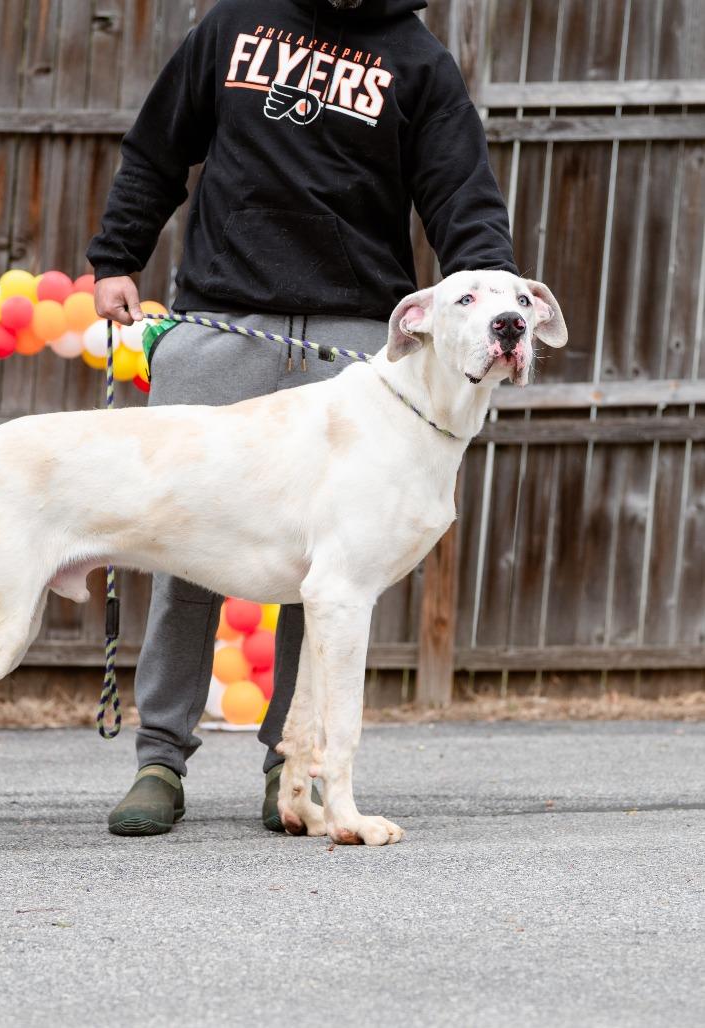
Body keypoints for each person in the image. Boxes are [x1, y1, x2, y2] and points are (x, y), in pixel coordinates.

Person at [87, 0, 517, 835]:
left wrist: (498, 301)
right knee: (179, 541)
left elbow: (462, 197)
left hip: (353, 337)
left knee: (325, 573)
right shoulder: (234, 22)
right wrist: (117, 254)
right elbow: (159, 142)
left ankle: (297, 765)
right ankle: (160, 760)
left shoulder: (418, 60)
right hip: (221, 322)